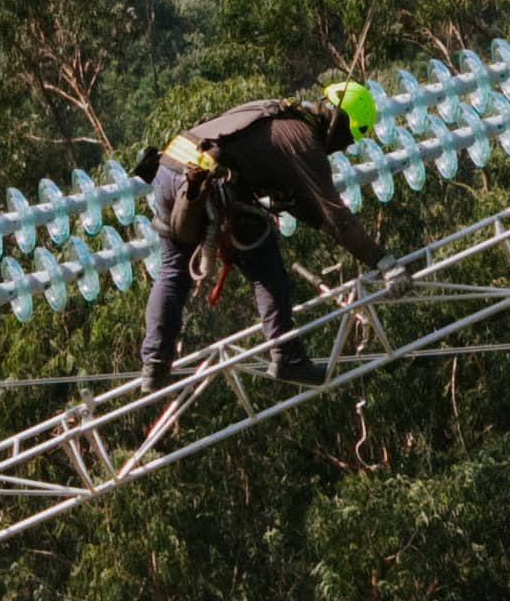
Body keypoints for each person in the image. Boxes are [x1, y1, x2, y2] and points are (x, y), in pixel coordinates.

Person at [135, 78, 383, 385]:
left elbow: (299, 203)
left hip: (170, 168)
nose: (343, 147)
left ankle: (155, 365)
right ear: (341, 124)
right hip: (209, 180)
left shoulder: (279, 114)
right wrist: (382, 261)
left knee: (173, 271)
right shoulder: (303, 139)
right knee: (265, 265)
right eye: (348, 139)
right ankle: (287, 358)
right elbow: (334, 215)